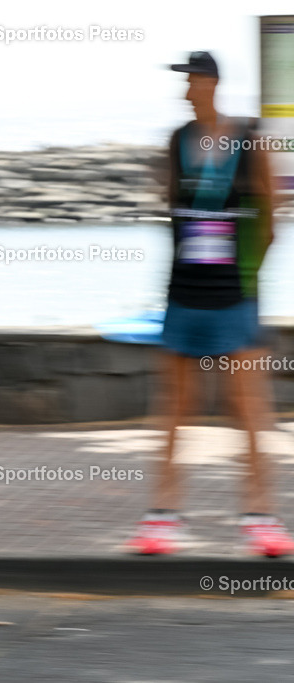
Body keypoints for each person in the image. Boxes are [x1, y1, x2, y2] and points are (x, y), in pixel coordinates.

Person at [126, 51, 294, 557]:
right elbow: (172, 212)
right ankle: (162, 518)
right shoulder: (176, 141)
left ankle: (262, 519)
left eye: (192, 81)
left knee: (247, 410)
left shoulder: (249, 138)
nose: (185, 91)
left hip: (235, 298)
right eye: (184, 83)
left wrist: (246, 275)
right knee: (174, 410)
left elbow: (270, 211)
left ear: (211, 83)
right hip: (183, 295)